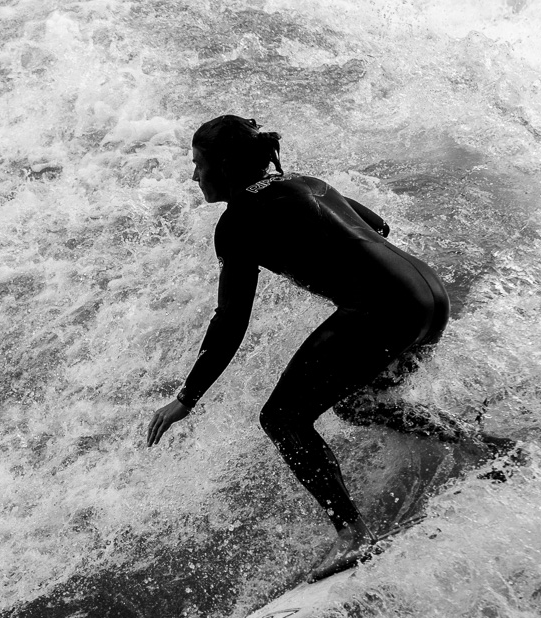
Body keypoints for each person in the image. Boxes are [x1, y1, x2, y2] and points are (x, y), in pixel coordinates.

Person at [146, 114, 462, 581]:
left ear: (226, 166)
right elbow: (379, 225)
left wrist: (187, 398)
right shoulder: (306, 182)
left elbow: (231, 321)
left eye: (199, 165)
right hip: (428, 298)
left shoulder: (238, 222)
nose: (194, 176)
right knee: (356, 404)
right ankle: (469, 443)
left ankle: (352, 533)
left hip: (382, 311)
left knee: (281, 417)